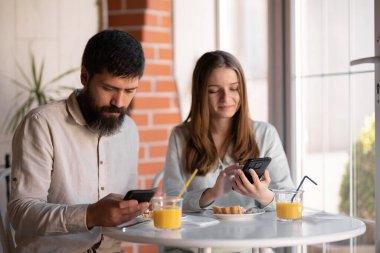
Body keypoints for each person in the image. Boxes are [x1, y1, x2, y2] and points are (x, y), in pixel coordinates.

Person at [8, 29, 149, 253]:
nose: (119, 102)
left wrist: (142, 208)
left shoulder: (129, 130)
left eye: (130, 91)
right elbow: (20, 212)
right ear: (85, 77)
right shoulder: (42, 124)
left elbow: (121, 213)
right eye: (109, 88)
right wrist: (90, 215)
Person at [162, 50, 295, 253]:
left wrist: (264, 196)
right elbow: (171, 199)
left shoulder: (265, 134)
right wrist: (211, 194)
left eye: (234, 88)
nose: (226, 97)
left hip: (249, 246)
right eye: (214, 90)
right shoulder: (180, 137)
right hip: (195, 247)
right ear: (200, 93)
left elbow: (291, 200)